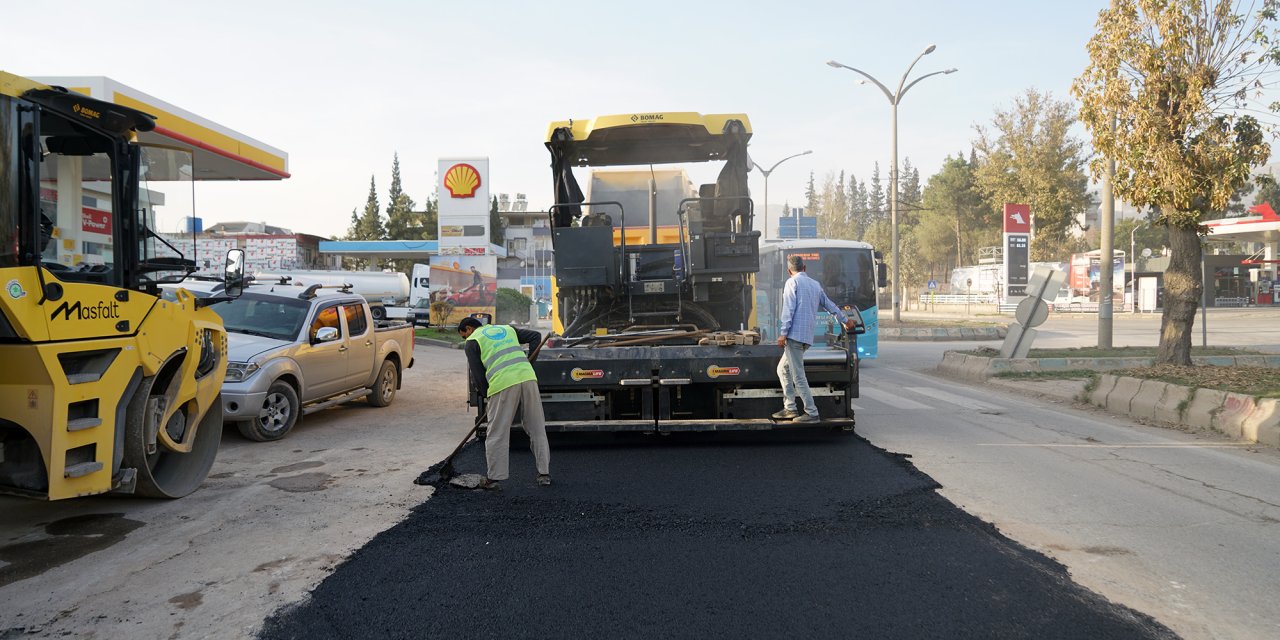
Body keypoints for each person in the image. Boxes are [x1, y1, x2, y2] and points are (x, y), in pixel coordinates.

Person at [458, 317, 551, 489]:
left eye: (463, 335)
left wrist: (487, 395)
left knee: (497, 433)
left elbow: (478, 376)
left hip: (503, 383)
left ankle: (494, 479)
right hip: (528, 378)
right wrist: (529, 362)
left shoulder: (472, 342)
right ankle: (544, 474)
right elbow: (535, 336)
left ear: (469, 329)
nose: (465, 338)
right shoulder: (507, 329)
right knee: (536, 427)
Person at [774, 254, 860, 423]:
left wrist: (783, 333)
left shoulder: (792, 283)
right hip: (806, 337)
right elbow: (830, 305)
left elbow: (788, 310)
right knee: (782, 369)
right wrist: (845, 320)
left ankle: (811, 412)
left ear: (788, 270)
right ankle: (790, 407)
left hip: (794, 337)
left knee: (798, 376)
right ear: (804, 268)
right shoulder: (815, 284)